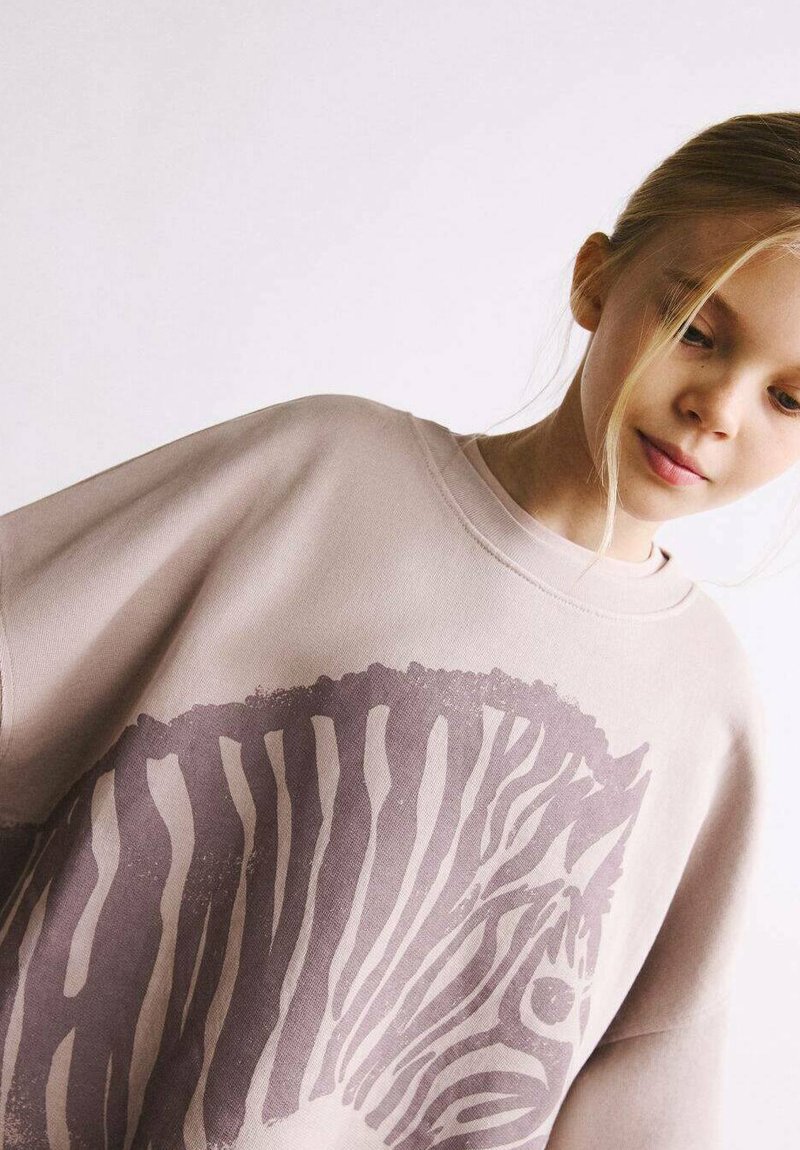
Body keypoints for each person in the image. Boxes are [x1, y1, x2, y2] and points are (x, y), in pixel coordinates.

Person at [0, 110, 793, 1149]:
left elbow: (650, 1078)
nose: (717, 408)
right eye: (694, 328)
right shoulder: (317, 475)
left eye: (790, 397)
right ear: (596, 280)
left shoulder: (705, 705)